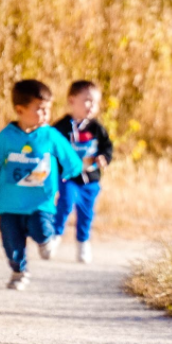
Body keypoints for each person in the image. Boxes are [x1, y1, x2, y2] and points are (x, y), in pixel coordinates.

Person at [0, 80, 82, 290]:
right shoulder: (6, 138)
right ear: (20, 110)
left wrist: (70, 172)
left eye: (48, 109)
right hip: (9, 204)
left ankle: (47, 239)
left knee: (40, 229)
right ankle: (19, 271)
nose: (45, 114)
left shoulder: (50, 135)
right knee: (11, 242)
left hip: (40, 202)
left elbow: (70, 158)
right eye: (39, 109)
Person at [52, 80, 113, 264]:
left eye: (95, 102)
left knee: (86, 213)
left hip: (90, 178)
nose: (91, 106)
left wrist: (104, 157)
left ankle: (83, 242)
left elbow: (107, 146)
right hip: (68, 177)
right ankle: (54, 237)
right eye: (87, 100)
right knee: (65, 203)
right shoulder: (62, 126)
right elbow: (51, 146)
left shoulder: (96, 128)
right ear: (72, 100)